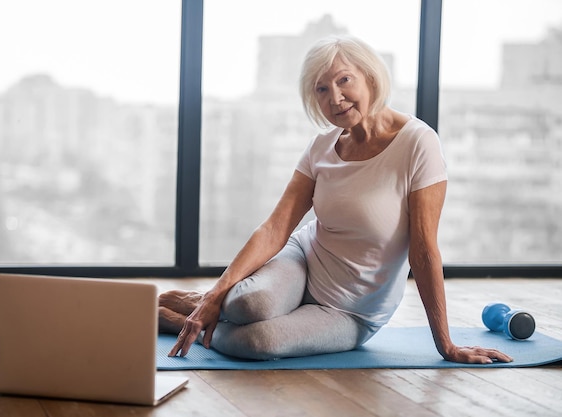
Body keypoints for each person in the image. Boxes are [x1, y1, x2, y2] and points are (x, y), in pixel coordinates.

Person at [159, 35, 513, 364]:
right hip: (301, 263)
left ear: (370, 77)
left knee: (258, 342)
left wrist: (446, 345)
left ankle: (175, 318)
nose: (335, 97)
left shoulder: (418, 143)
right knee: (248, 305)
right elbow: (275, 228)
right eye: (322, 89)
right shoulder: (321, 147)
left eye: (344, 80)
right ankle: (208, 302)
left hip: (351, 311)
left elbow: (423, 250)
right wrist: (217, 292)